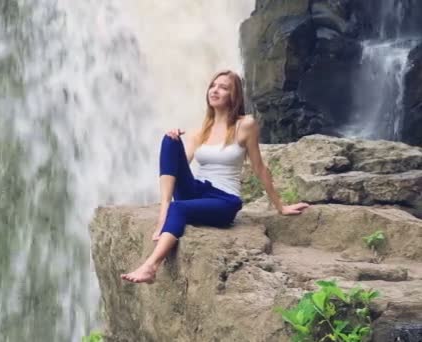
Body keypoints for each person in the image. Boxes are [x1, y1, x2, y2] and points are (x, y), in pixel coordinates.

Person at [121, 70, 310, 284]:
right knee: (169, 140)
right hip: (197, 191)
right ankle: (164, 212)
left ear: (234, 95)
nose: (216, 90)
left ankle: (150, 266)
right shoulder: (200, 131)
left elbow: (259, 168)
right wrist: (173, 139)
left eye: (224, 87)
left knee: (179, 208)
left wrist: (280, 206)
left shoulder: (245, 125)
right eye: (213, 85)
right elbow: (177, 166)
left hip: (224, 200)